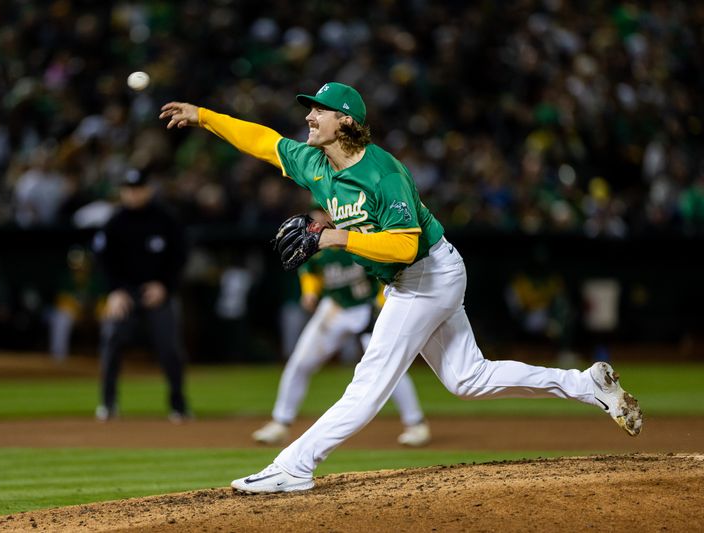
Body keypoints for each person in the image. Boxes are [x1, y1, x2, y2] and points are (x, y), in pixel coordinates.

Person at [159, 82, 643, 493]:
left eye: (319, 111)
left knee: (369, 383)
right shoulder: (314, 161)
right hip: (418, 279)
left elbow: (405, 246)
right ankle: (586, 384)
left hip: (428, 274)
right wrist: (203, 116)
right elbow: (261, 141)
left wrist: (333, 236)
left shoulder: (382, 173)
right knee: (467, 379)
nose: (308, 116)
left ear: (345, 123)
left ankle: (294, 467)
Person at [252, 210, 431, 447]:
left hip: (367, 308)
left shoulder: (357, 237)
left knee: (387, 366)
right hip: (334, 308)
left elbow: (388, 271)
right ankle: (280, 422)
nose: (316, 221)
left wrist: (381, 304)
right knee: (300, 363)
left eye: (321, 213)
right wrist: (310, 292)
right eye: (314, 215)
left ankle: (416, 423)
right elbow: (310, 272)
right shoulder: (315, 245)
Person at [92, 167, 189, 422]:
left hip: (158, 291)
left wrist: (165, 286)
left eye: (137, 189)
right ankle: (108, 403)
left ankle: (178, 405)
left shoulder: (166, 219)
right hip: (124, 293)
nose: (133, 194)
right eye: (128, 190)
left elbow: (179, 257)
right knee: (111, 339)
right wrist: (114, 291)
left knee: (169, 347)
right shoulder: (114, 222)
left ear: (148, 189)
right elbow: (103, 261)